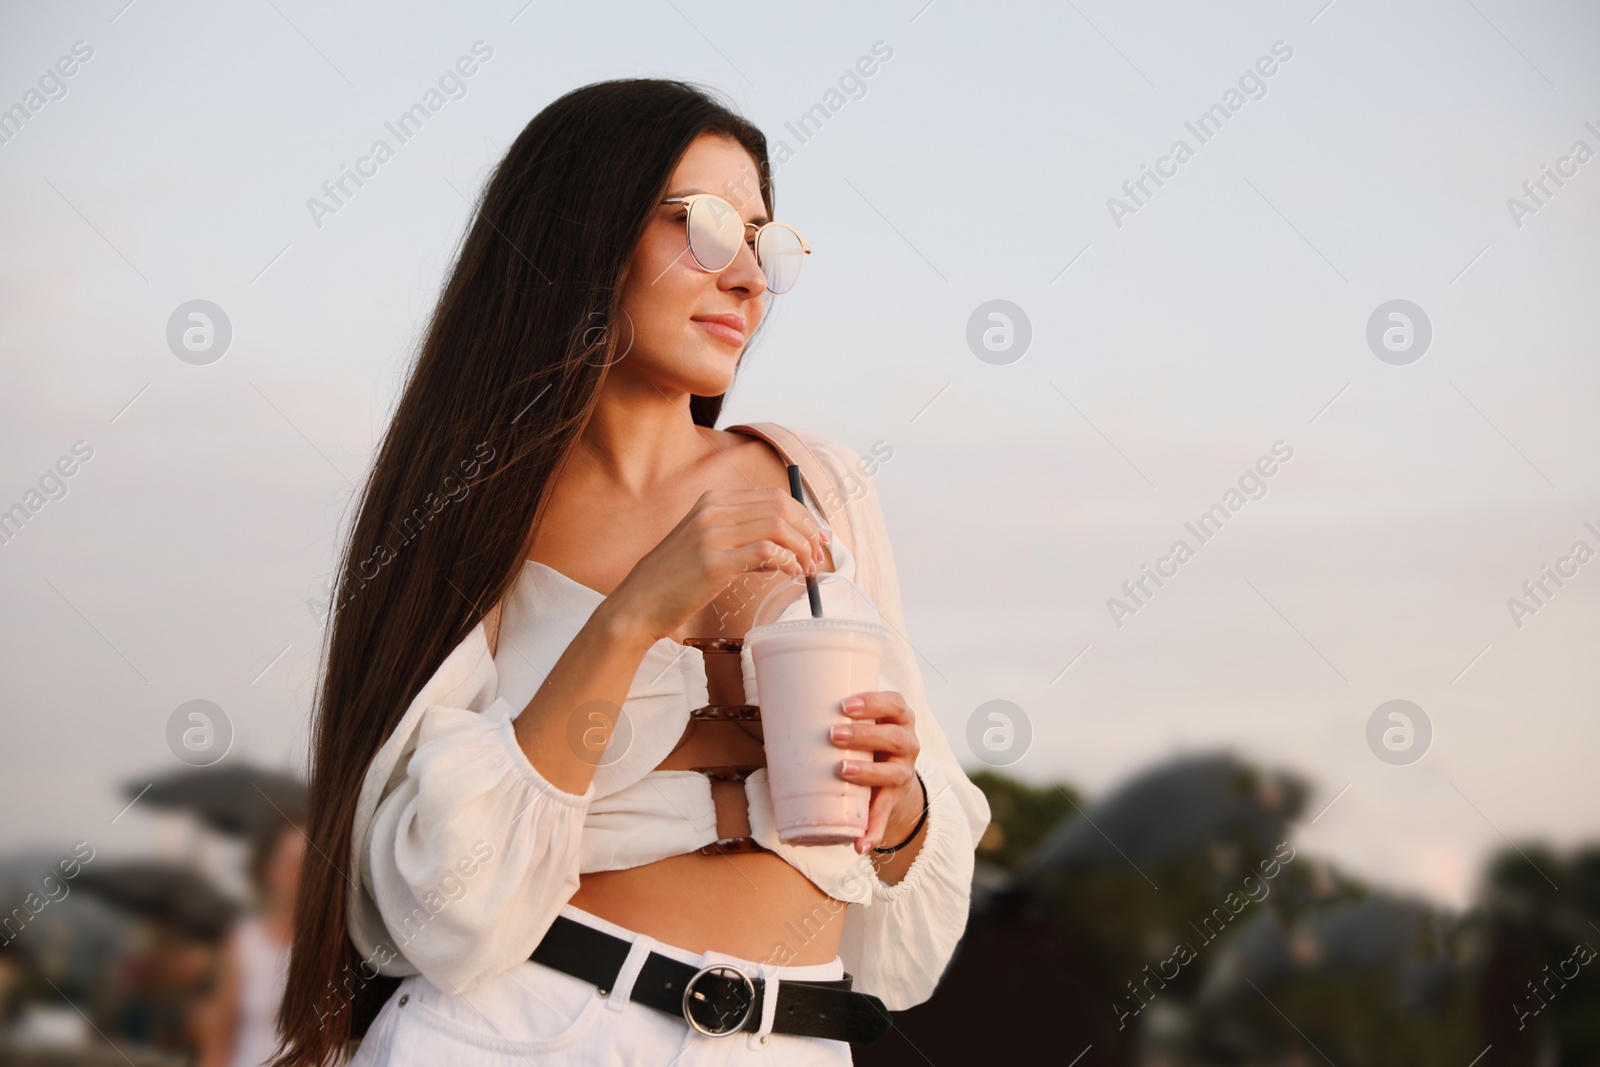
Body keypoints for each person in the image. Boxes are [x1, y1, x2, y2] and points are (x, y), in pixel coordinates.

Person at [270, 79, 990, 1066]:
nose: (747, 276)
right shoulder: (479, 510)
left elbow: (909, 937)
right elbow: (441, 907)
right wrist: (636, 609)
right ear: (581, 232)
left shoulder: (820, 480)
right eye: (702, 226)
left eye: (764, 242)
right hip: (531, 1031)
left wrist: (899, 801)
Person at [198, 822, 304, 1067]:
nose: (299, 874)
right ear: (270, 869)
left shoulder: (333, 946)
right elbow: (221, 1039)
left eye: (308, 864)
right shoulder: (245, 943)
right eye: (292, 863)